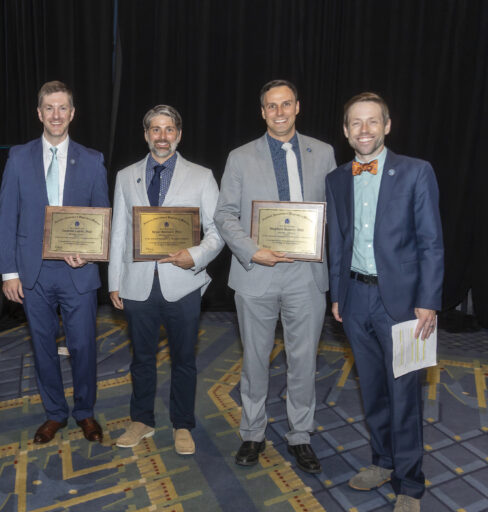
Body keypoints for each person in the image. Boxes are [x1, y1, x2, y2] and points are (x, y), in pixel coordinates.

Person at [326, 92, 443, 512]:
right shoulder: (337, 179)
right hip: (355, 299)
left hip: (404, 302)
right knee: (372, 389)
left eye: (372, 121)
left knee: (404, 394)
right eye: (356, 123)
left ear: (387, 126)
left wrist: (428, 300)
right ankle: (382, 461)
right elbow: (337, 242)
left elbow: (431, 242)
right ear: (345, 131)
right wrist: (337, 295)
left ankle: (410, 484)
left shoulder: (416, 171)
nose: (364, 130)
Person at [214, 80, 336, 473]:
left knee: (303, 360)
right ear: (262, 111)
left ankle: (300, 435)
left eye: (286, 104)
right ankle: (253, 433)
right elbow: (224, 214)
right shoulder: (240, 157)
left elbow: (336, 210)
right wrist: (252, 250)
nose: (279, 112)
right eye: (271, 106)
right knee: (254, 359)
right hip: (257, 272)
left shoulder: (324, 152)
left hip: (307, 274)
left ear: (298, 106)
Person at [0, 81, 109, 444]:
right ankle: (55, 413)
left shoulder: (92, 160)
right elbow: (8, 216)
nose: (56, 115)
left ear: (72, 114)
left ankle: (85, 412)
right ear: (39, 113)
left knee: (83, 347)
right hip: (34, 272)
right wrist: (9, 272)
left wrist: (89, 252)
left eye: (63, 108)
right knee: (42, 346)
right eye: (49, 108)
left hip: (79, 271)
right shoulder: (18, 157)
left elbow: (101, 217)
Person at [109, 105, 223, 455]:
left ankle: (182, 423)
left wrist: (196, 256)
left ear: (179, 134)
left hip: (183, 283)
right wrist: (114, 281)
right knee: (141, 358)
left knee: (184, 359)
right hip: (137, 284)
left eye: (169, 129)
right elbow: (118, 232)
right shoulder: (126, 176)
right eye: (155, 129)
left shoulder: (201, 176)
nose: (162, 136)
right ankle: (141, 420)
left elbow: (218, 231)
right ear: (146, 135)